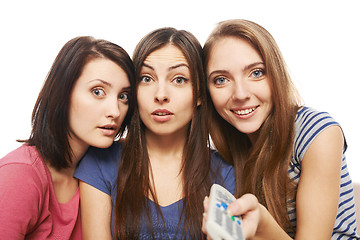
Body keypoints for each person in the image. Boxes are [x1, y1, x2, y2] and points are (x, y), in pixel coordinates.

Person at [201, 19, 359, 239]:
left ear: (276, 75)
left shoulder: (318, 133)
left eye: (256, 73)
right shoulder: (228, 153)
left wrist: (262, 225)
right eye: (221, 79)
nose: (240, 94)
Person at [74, 27, 235, 239]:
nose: (160, 95)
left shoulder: (226, 173)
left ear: (199, 95)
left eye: (179, 79)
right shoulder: (100, 163)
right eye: (147, 79)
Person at [0, 36, 135, 239]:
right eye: (98, 91)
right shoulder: (21, 175)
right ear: (63, 93)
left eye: (123, 96)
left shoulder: (101, 170)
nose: (115, 111)